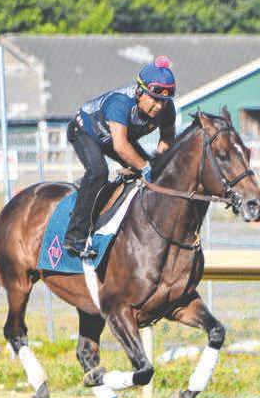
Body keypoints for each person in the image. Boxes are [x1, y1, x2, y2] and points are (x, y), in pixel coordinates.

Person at [63, 56, 177, 258]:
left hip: (117, 138)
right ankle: (75, 237)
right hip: (85, 132)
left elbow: (167, 139)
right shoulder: (120, 103)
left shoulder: (167, 109)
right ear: (139, 92)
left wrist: (157, 167)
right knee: (98, 172)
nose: (159, 106)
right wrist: (146, 169)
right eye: (154, 99)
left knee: (154, 175)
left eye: (163, 101)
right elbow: (121, 146)